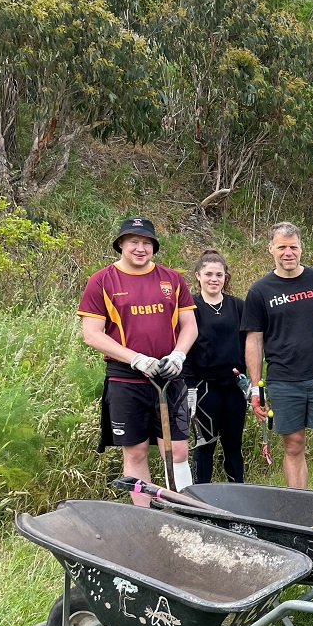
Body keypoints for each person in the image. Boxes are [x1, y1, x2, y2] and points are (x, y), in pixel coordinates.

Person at [78, 216, 197, 505]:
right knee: (135, 452)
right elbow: (92, 335)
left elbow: (189, 326)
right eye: (134, 241)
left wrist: (179, 354)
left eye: (146, 242)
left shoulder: (172, 279)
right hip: (126, 378)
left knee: (177, 451)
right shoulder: (102, 280)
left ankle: (188, 513)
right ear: (121, 244)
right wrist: (136, 359)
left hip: (169, 375)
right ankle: (145, 517)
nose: (140, 248)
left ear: (154, 246)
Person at [241, 222, 313, 492]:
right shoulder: (260, 290)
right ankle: (299, 509)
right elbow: (254, 340)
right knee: (293, 446)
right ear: (271, 249)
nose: (288, 252)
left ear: (301, 248)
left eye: (293, 246)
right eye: (282, 247)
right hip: (283, 380)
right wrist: (255, 386)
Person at [185, 250, 248, 485]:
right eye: (208, 274)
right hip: (203, 388)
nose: (214, 279)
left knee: (233, 444)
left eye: (219, 274)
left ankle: (238, 495)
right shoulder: (189, 306)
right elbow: (186, 348)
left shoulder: (238, 306)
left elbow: (247, 345)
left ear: (225, 277)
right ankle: (200, 499)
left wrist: (248, 379)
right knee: (205, 445)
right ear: (198, 276)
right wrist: (189, 386)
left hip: (234, 386)